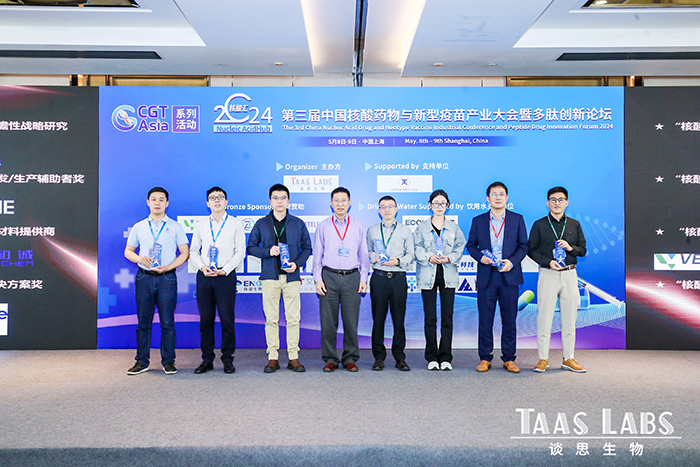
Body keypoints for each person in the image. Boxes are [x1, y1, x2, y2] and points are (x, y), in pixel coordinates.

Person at [247, 183, 312, 373]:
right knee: (271, 319)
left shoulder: (298, 223)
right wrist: (268, 251)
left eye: (283, 198)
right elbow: (251, 247)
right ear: (270, 201)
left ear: (288, 201)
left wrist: (297, 264)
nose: (279, 201)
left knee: (293, 319)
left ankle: (293, 357)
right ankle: (273, 357)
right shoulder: (261, 223)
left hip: (291, 278)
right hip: (270, 277)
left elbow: (307, 248)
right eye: (275, 198)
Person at [124, 187, 189, 375]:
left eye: (161, 199)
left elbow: (185, 253)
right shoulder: (139, 227)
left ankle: (168, 361)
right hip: (144, 277)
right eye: (154, 199)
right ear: (148, 202)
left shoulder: (175, 227)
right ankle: (141, 361)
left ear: (167, 203)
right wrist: (139, 259)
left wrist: (169, 267)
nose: (157, 203)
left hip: (167, 278)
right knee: (143, 322)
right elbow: (128, 251)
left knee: (168, 322)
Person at [466, 182, 528, 373]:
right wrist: (481, 258)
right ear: (488, 198)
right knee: (485, 320)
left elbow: (523, 246)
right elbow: (471, 245)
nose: (498, 197)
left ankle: (509, 359)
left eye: (501, 194)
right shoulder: (478, 220)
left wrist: (512, 262)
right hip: (487, 276)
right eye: (494, 194)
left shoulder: (517, 219)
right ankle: (485, 358)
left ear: (507, 198)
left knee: (509, 320)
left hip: (509, 275)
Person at [527, 186, 587, 373]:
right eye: (553, 200)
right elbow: (530, 250)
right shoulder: (539, 224)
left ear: (566, 203)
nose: (557, 203)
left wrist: (570, 248)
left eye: (561, 200)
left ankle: (568, 358)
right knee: (544, 317)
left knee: (569, 317)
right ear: (548, 203)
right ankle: (542, 359)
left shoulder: (574, 224)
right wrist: (548, 262)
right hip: (548, 273)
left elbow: (583, 250)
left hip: (569, 274)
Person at [189, 187, 245, 374]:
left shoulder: (236, 224)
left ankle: (228, 359)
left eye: (220, 197)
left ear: (226, 202)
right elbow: (193, 250)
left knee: (227, 320)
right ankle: (207, 360)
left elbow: (240, 252)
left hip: (225, 276)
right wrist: (202, 266)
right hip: (205, 276)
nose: (217, 200)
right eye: (213, 198)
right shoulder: (201, 224)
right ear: (208, 203)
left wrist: (225, 270)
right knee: (206, 320)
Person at [313, 187, 370, 372]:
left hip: (352, 277)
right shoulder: (323, 225)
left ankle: (350, 358)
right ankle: (330, 358)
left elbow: (364, 254)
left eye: (343, 200)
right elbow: (317, 255)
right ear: (331, 204)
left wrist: (363, 278)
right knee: (328, 322)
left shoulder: (358, 225)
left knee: (351, 322)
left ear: (349, 203)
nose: (340, 204)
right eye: (336, 201)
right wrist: (318, 279)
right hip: (328, 276)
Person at [414, 189, 466, 371]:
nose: (439, 206)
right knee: (430, 318)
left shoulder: (453, 228)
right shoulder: (421, 227)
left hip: (448, 276)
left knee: (447, 317)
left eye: (442, 203)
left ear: (447, 205)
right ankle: (431, 357)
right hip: (427, 275)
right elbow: (416, 247)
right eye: (436, 203)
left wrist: (450, 257)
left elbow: (460, 246)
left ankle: (445, 357)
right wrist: (428, 256)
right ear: (430, 205)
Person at [366, 195, 415, 371]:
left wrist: (398, 261)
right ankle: (378, 358)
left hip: (398, 278)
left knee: (398, 319)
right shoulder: (372, 230)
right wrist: (375, 257)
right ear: (379, 210)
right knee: (378, 319)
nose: (387, 210)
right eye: (383, 207)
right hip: (379, 277)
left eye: (390, 206)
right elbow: (366, 252)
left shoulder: (405, 230)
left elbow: (411, 254)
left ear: (396, 209)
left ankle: (400, 357)